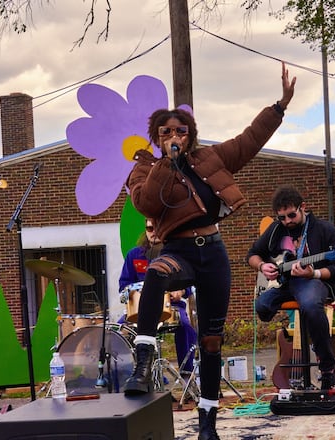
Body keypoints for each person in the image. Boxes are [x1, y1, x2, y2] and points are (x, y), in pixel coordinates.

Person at [123, 62, 296, 439]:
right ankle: (144, 359)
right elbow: (147, 204)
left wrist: (279, 106)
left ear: (191, 135)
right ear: (156, 136)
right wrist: (165, 164)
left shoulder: (211, 159)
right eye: (165, 131)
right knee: (155, 273)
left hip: (212, 253)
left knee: (212, 341)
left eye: (180, 131)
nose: (174, 135)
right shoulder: (145, 169)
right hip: (177, 251)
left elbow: (250, 139)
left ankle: (207, 425)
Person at [246, 185, 335, 392]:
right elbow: (253, 254)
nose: (287, 221)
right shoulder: (276, 229)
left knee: (309, 304)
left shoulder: (324, 229)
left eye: (291, 215)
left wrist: (314, 273)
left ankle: (327, 369)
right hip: (285, 283)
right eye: (282, 217)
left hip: (315, 281)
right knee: (262, 305)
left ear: (303, 207)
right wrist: (262, 266)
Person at [119, 218, 198, 375]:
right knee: (118, 330)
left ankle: (187, 374)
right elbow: (124, 285)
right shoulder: (133, 255)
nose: (153, 232)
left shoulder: (176, 254)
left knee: (187, 328)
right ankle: (134, 373)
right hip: (140, 309)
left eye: (156, 228)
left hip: (172, 307)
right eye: (149, 228)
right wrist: (133, 291)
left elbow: (189, 283)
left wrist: (181, 291)